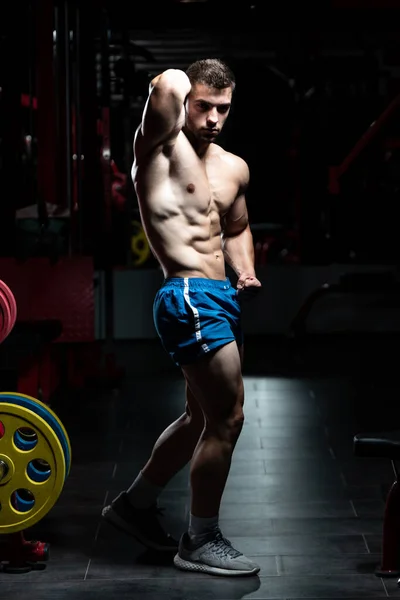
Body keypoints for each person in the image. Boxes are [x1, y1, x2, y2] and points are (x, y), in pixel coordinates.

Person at [102, 58, 262, 577]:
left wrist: (246, 270)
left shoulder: (233, 166)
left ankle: (136, 504)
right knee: (228, 417)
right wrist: (178, 81)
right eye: (204, 106)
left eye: (224, 109)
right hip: (187, 294)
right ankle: (201, 538)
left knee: (200, 418)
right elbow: (168, 83)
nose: (214, 118)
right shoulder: (155, 150)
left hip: (222, 296)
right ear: (185, 102)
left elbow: (236, 227)